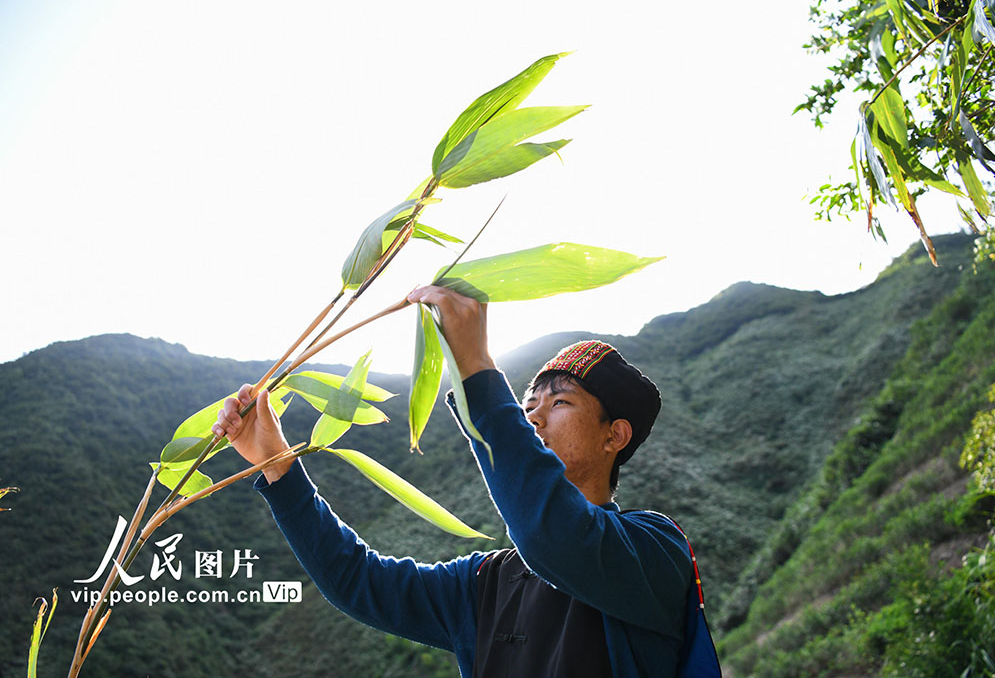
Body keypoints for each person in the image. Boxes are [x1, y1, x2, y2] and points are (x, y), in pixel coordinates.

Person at [214, 286, 721, 677]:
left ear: (616, 435)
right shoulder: (484, 584)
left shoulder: (655, 551)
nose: (533, 421)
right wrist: (277, 464)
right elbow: (357, 580)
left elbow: (554, 534)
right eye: (526, 408)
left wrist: (476, 370)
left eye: (560, 403)